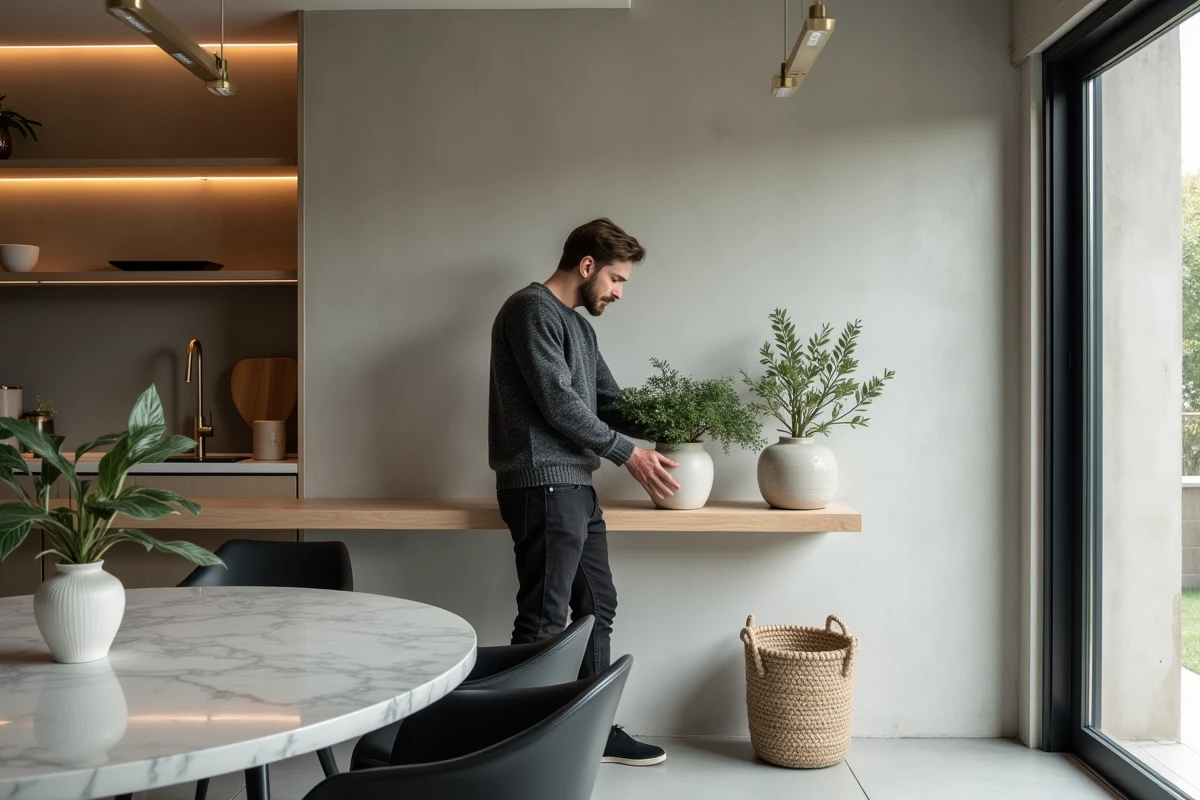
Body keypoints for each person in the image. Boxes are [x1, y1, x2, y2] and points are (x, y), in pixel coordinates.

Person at [488, 217, 681, 766]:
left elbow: (607, 402)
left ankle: (591, 731)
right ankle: (518, 744)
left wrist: (682, 421)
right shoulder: (530, 311)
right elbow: (559, 403)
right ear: (587, 265)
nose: (619, 293)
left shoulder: (580, 328)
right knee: (545, 618)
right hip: (542, 483)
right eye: (617, 279)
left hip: (573, 484)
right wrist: (627, 454)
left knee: (597, 605)